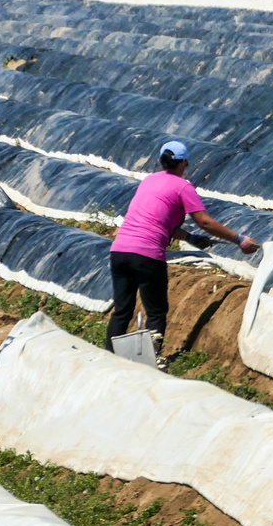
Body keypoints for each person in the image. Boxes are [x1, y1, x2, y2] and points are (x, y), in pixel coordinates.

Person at [108, 141, 260, 364]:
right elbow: (205, 222)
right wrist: (239, 239)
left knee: (122, 310)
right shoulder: (182, 186)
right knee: (156, 312)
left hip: (119, 251)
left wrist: (190, 238)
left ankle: (108, 359)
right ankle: (150, 361)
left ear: (161, 161)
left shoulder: (149, 181)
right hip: (147, 254)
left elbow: (160, 221)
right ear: (185, 163)